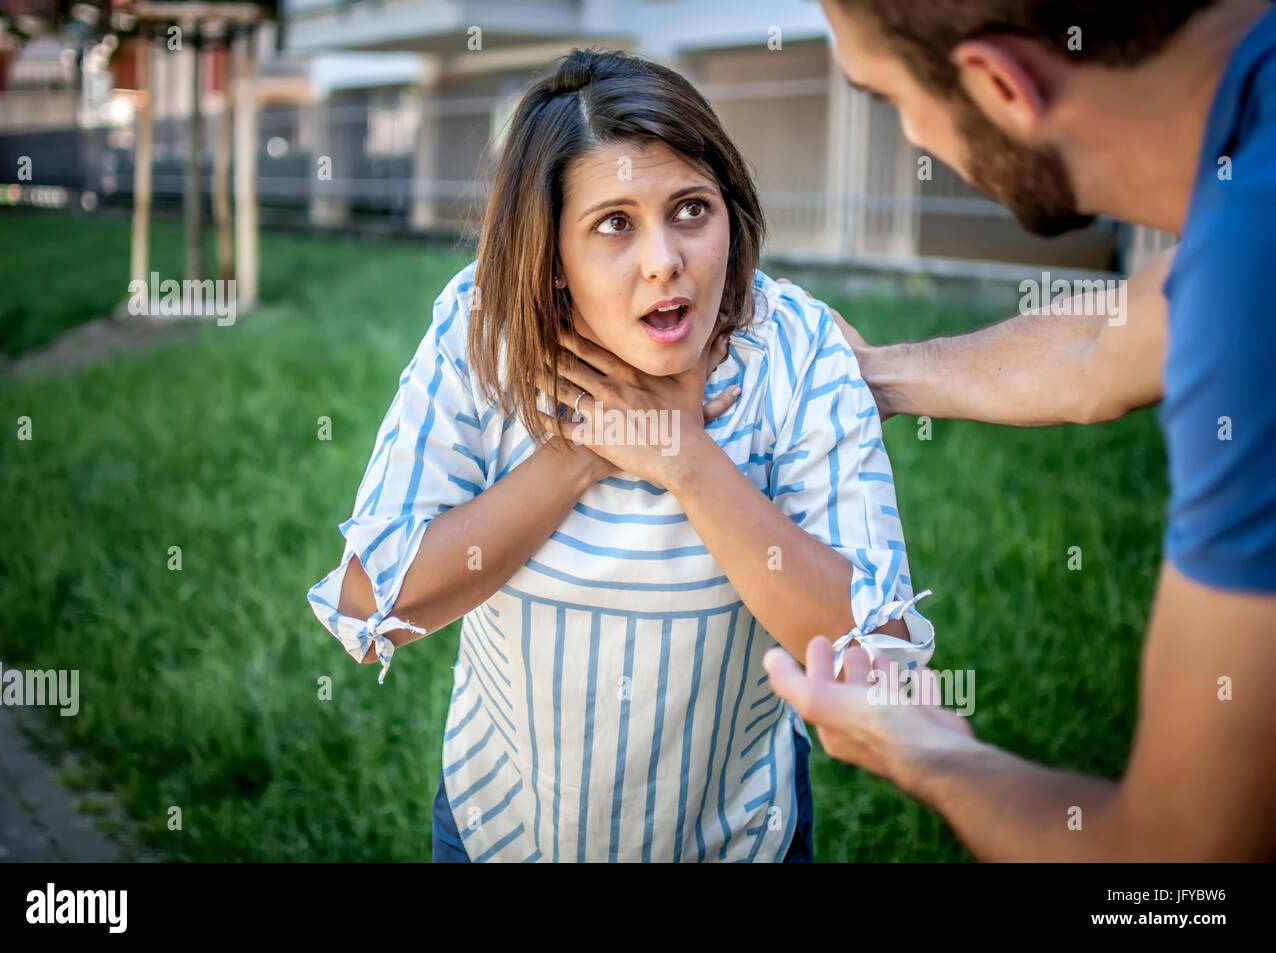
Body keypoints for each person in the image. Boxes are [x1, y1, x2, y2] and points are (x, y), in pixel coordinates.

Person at [306, 49, 935, 863]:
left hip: (742, 841)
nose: (663, 260)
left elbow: (872, 654)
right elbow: (369, 600)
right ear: (552, 254)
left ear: (732, 216)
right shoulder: (480, 329)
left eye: (691, 210)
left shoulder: (796, 345)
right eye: (614, 223)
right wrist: (580, 455)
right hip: (500, 831)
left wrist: (685, 458)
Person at [765, 0, 1276, 860]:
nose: (917, 140)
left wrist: (921, 747)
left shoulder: (1252, 276)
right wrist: (872, 375)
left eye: (889, 99)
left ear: (1001, 84)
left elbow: (1179, 868)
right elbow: (1102, 341)